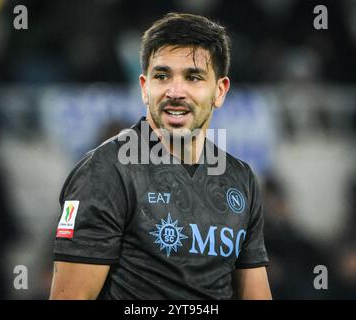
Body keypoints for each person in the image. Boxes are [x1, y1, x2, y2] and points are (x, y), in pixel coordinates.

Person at [49, 12, 271, 300]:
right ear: (144, 87)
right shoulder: (105, 172)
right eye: (162, 75)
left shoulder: (240, 179)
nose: (175, 91)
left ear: (220, 91)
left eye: (193, 77)